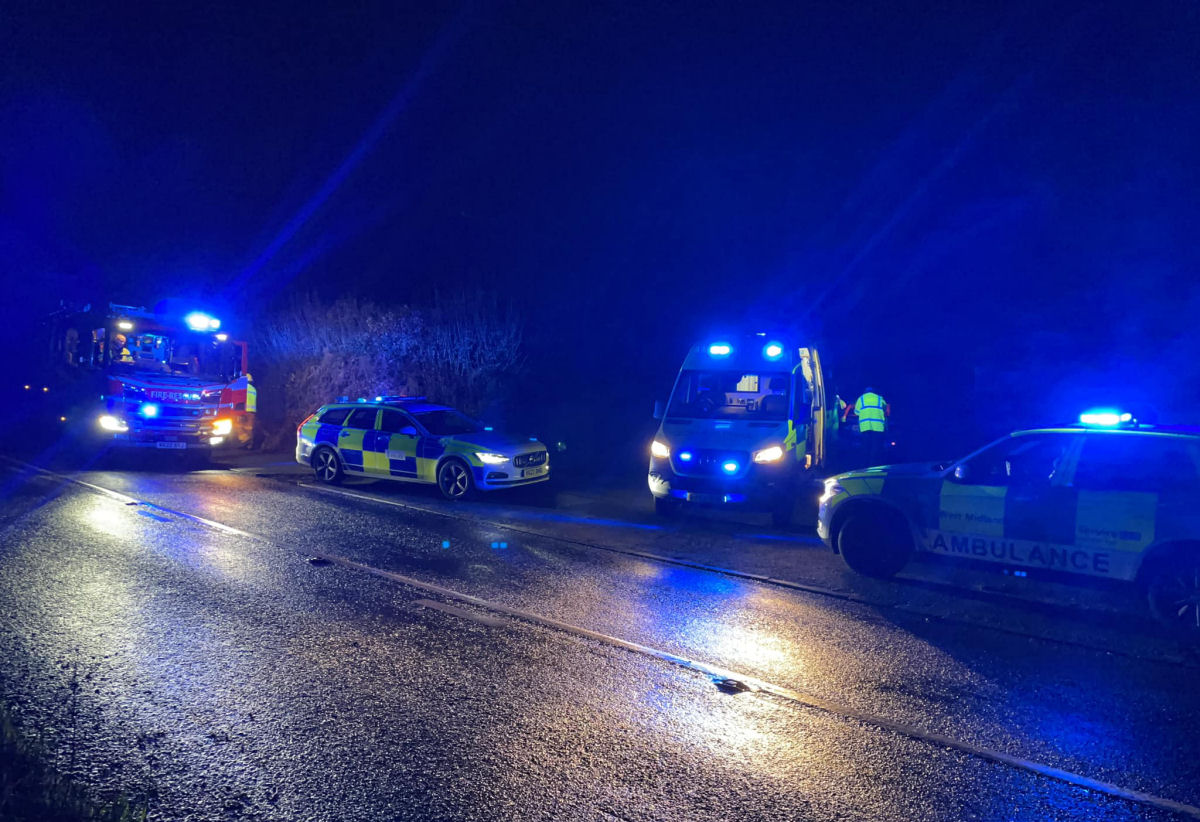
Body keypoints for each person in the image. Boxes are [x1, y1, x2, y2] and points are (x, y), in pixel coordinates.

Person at [847, 386, 889, 466]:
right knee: (877, 448)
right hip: (878, 427)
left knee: (866, 447)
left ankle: (865, 466)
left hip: (865, 427)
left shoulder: (861, 399)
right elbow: (885, 410)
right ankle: (875, 466)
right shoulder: (880, 398)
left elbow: (856, 412)